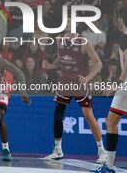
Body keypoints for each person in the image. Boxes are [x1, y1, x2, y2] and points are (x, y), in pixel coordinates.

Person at [43, 19, 105, 163]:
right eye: (65, 22)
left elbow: (98, 63)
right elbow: (61, 59)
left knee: (88, 116)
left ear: (76, 24)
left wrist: (88, 78)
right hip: (64, 82)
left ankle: (102, 151)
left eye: (70, 22)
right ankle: (57, 150)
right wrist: (51, 65)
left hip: (79, 83)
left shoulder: (84, 42)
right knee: (58, 114)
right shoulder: (60, 40)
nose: (67, 24)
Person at [93, 7, 127, 173]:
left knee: (111, 121)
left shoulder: (125, 37)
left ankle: (109, 166)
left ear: (122, 19)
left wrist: (118, 83)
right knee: (112, 121)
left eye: (118, 17)